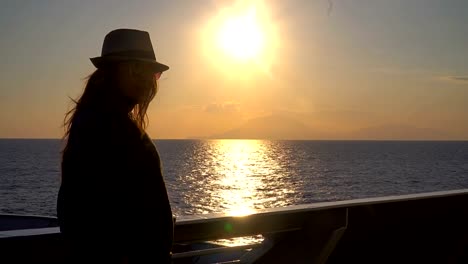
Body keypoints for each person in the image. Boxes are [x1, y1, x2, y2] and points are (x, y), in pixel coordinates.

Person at [57, 28, 173, 263]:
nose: (150, 80)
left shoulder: (90, 123)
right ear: (121, 70)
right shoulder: (110, 131)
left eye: (153, 73)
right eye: (141, 69)